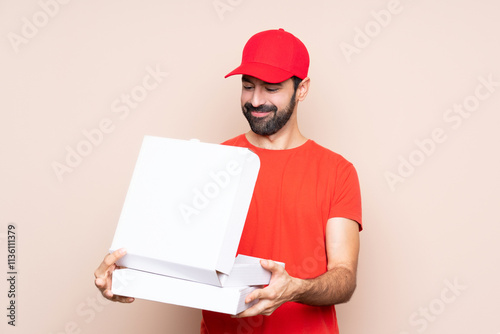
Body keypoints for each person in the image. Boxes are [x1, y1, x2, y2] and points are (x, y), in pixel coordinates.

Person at [94, 28, 362, 334]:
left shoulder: (337, 171)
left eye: (271, 88)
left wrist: (296, 288)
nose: (256, 100)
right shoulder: (211, 163)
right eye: (248, 86)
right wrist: (126, 276)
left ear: (302, 89)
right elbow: (173, 254)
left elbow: (344, 278)